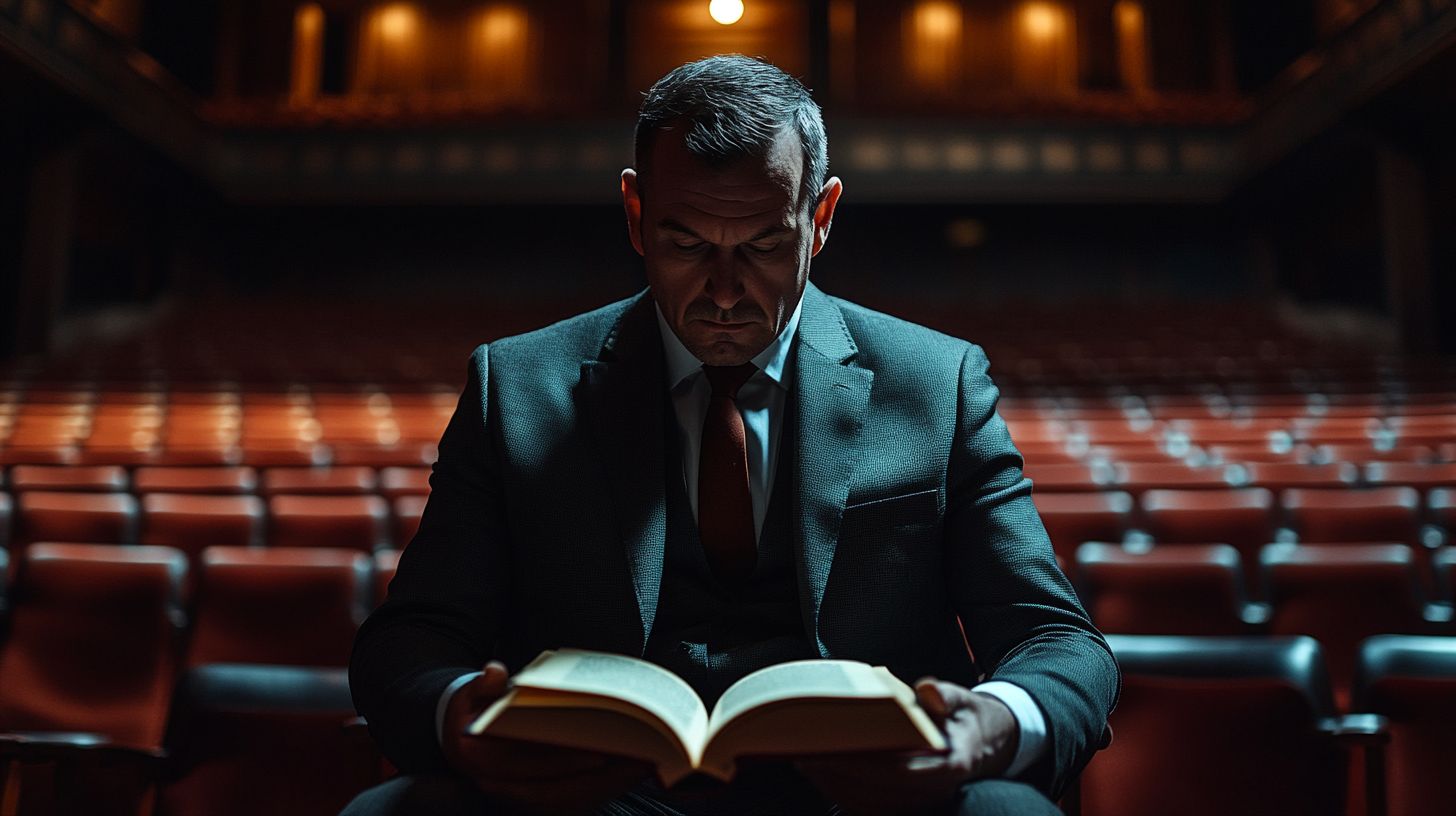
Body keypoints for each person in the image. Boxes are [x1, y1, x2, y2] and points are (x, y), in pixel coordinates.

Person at [344, 55, 1118, 816]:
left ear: (820, 220)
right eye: (687, 245)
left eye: (763, 247)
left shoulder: (939, 382)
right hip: (592, 800)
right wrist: (461, 718)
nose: (723, 292)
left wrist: (993, 727)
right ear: (636, 215)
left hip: (869, 799)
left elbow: (1057, 639)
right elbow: (410, 640)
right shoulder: (512, 387)